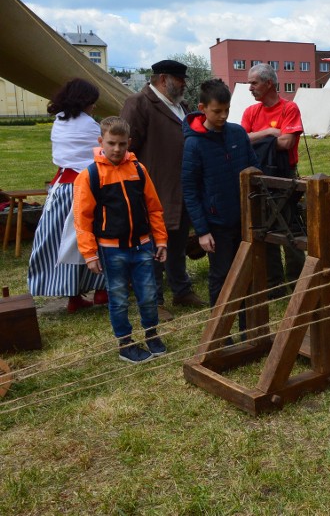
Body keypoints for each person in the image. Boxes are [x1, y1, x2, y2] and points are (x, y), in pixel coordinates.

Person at [73, 117, 168, 363]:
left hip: (143, 245)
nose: (116, 149)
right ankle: (125, 343)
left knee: (149, 295)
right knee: (118, 298)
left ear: (129, 143)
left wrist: (161, 240)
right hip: (111, 249)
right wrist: (90, 254)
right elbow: (82, 219)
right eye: (111, 143)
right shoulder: (90, 176)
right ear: (100, 141)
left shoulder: (139, 170)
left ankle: (151, 334)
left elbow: (154, 208)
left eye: (122, 144)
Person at [121, 59, 206, 322]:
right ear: (163, 79)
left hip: (182, 189)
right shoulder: (139, 103)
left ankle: (181, 290)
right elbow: (125, 149)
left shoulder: (182, 105)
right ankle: (153, 301)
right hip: (154, 190)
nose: (184, 84)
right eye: (180, 80)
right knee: (154, 249)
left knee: (178, 243)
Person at [182, 80, 259, 335]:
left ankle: (249, 329)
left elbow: (254, 169)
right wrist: (202, 231)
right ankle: (220, 332)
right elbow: (190, 190)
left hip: (245, 219)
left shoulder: (237, 134)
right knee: (222, 276)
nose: (223, 116)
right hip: (217, 224)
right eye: (217, 111)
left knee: (247, 274)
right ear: (202, 108)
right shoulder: (193, 144)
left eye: (226, 110)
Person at [27, 78, 108, 313]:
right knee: (94, 238)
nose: (94, 106)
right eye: (92, 102)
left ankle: (73, 296)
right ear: (84, 101)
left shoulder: (58, 121)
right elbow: (99, 158)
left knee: (59, 242)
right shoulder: (90, 126)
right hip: (86, 189)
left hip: (61, 190)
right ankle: (102, 290)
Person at [240, 62, 305, 296]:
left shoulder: (289, 108)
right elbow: (241, 139)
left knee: (288, 226)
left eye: (253, 83)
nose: (250, 88)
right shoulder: (250, 112)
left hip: (284, 176)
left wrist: (256, 139)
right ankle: (274, 283)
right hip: (258, 177)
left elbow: (287, 142)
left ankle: (297, 280)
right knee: (264, 226)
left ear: (269, 83)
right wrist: (268, 133)